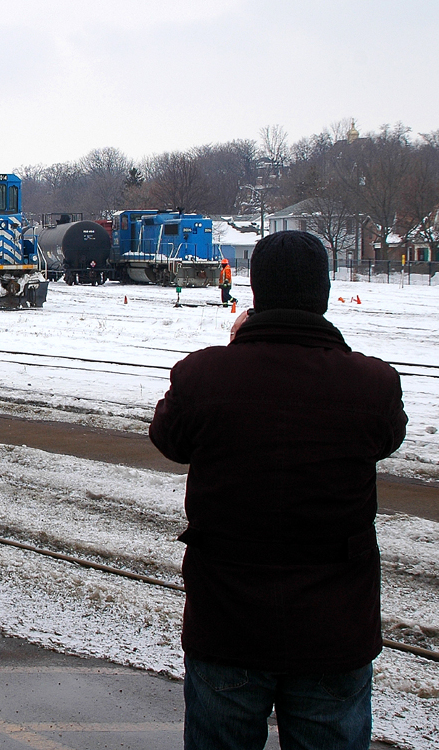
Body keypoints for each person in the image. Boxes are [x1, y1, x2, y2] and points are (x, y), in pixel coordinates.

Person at [149, 230, 406, 750]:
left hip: (228, 625)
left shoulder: (203, 376)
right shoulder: (373, 384)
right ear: (326, 293)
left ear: (255, 291)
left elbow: (170, 439)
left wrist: (236, 348)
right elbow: (384, 437)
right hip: (334, 633)